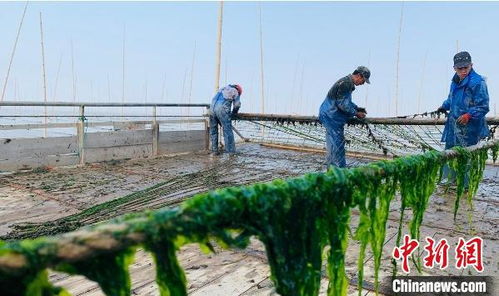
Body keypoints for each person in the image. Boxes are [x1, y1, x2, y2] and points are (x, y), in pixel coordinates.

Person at [437, 51, 490, 185]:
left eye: (466, 67)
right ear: (454, 68)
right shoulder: (454, 81)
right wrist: (444, 106)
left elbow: (483, 106)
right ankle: (448, 181)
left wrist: (469, 115)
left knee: (468, 156)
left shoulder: (478, 82)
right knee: (450, 153)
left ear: (471, 65)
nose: (463, 71)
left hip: (471, 129)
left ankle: (466, 185)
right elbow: (451, 99)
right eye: (460, 68)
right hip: (453, 127)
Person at [319, 66, 370, 168]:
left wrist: (357, 108)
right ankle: (337, 172)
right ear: (359, 76)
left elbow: (347, 102)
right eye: (363, 80)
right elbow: (342, 104)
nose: (363, 83)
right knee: (336, 146)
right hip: (331, 116)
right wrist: (356, 113)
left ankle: (336, 170)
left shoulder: (347, 82)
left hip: (331, 115)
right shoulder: (346, 83)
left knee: (337, 144)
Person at [209, 84, 242, 154]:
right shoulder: (235, 91)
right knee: (227, 130)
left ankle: (214, 151)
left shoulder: (222, 89)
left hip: (211, 109)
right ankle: (230, 152)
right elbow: (237, 105)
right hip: (221, 109)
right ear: (238, 90)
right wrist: (234, 113)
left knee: (213, 131)